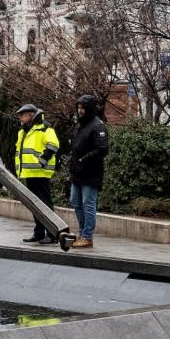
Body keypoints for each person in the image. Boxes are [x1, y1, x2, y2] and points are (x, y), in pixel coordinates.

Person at [14, 104, 59, 244]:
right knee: (35, 204)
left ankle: (53, 234)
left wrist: (43, 160)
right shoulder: (23, 131)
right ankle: (39, 233)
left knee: (45, 204)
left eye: (22, 114)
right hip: (29, 172)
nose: (20, 117)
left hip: (40, 172)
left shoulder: (45, 127)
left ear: (31, 115)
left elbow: (54, 145)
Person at [69, 95, 109, 249]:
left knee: (88, 204)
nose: (80, 111)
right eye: (78, 108)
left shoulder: (98, 126)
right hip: (77, 173)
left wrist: (83, 161)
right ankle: (82, 233)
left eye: (83, 108)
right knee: (76, 202)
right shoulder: (80, 125)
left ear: (90, 109)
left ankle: (87, 236)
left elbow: (101, 150)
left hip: (91, 173)